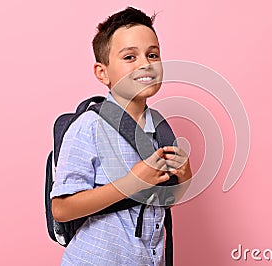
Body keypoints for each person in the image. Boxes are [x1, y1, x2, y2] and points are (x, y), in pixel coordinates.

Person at [50, 6, 192, 266]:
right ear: (102, 72)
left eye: (153, 54)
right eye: (130, 57)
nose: (145, 64)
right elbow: (61, 209)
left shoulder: (160, 129)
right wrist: (131, 183)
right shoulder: (89, 126)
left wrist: (184, 178)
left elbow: (162, 201)